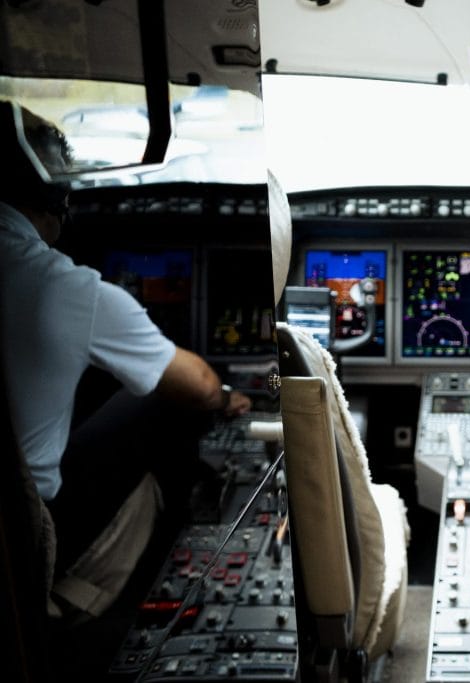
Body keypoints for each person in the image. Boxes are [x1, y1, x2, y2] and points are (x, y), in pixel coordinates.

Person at [0, 102, 251, 616]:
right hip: (22, 533)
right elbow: (199, 385)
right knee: (168, 399)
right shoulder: (61, 284)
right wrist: (228, 397)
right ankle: (95, 605)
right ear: (56, 192)